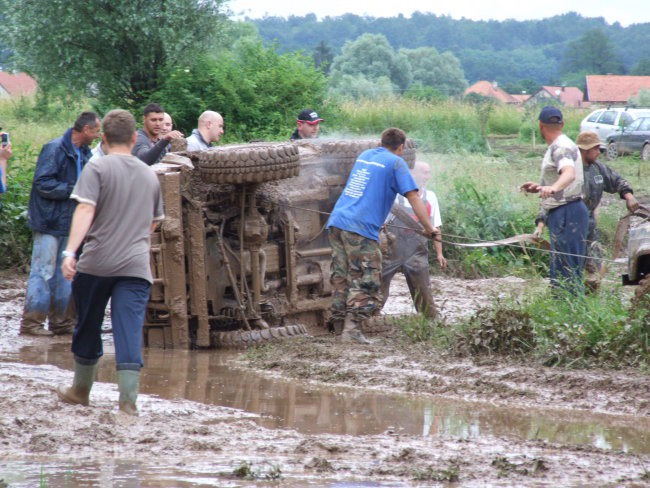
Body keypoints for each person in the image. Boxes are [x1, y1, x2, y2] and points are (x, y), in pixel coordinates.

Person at [56, 109, 164, 416]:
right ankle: (128, 403)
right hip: (135, 266)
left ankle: (80, 391)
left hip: (95, 264)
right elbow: (152, 224)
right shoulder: (149, 174)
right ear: (134, 138)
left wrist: (69, 253)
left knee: (88, 325)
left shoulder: (97, 167)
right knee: (128, 330)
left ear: (103, 138)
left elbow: (86, 210)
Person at [326, 128, 437, 344]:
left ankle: (338, 325)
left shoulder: (365, 155)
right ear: (402, 147)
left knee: (341, 275)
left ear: (381, 142)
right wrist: (429, 228)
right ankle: (351, 331)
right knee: (366, 279)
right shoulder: (397, 163)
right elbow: (413, 196)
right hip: (360, 227)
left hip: (337, 222)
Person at [20, 111, 101, 336]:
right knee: (43, 271)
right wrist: (73, 191)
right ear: (85, 129)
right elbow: (42, 183)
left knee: (66, 273)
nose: (98, 135)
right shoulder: (55, 148)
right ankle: (32, 323)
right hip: (48, 220)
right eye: (96, 130)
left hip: (70, 221)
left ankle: (62, 322)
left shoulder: (84, 153)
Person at [535, 130, 639, 292]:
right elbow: (549, 199)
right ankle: (564, 296)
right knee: (567, 265)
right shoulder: (566, 171)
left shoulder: (598, 168)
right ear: (584, 150)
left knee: (594, 270)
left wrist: (629, 196)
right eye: (596, 148)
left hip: (589, 225)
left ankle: (587, 300)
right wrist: (540, 223)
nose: (599, 152)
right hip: (568, 225)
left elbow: (617, 181)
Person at [520, 106, 588, 294]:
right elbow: (563, 177)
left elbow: (569, 173)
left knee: (567, 270)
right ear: (562, 124)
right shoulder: (562, 144)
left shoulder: (560, 147)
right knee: (561, 268)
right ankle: (564, 312)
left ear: (541, 126)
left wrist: (553, 187)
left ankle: (571, 314)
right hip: (567, 210)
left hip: (568, 213)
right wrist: (541, 187)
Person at [381, 161, 447, 318]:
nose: (428, 176)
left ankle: (430, 322)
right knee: (378, 286)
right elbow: (382, 225)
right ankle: (368, 317)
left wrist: (439, 253)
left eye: (429, 172)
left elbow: (435, 226)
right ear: (412, 174)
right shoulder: (396, 196)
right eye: (424, 172)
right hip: (392, 251)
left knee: (424, 292)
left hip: (417, 252)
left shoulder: (431, 197)